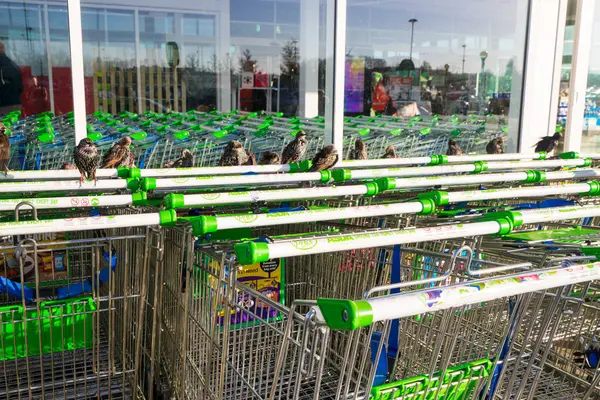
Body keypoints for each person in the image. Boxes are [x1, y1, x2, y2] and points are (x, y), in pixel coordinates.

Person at [0, 42, 24, 116]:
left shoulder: (2, 65)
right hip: (15, 103)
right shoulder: (12, 63)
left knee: (4, 126)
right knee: (12, 126)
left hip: (4, 105)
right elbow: (20, 87)